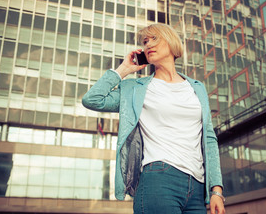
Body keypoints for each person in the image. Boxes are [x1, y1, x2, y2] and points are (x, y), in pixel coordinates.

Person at [82, 23, 225, 214]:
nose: (148, 45)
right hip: (159, 180)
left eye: (154, 39)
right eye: (145, 42)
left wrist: (216, 190)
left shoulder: (197, 88)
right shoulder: (137, 89)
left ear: (171, 41)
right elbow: (92, 100)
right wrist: (123, 69)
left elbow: (209, 139)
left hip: (197, 187)